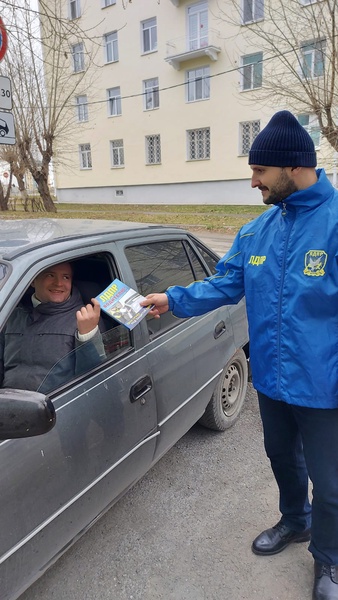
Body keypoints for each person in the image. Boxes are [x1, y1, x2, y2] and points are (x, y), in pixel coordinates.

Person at [140, 110, 338, 600]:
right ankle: (296, 522)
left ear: (293, 167)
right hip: (272, 382)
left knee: (332, 485)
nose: (253, 182)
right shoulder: (257, 232)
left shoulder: (334, 226)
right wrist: (173, 299)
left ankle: (330, 562)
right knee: (280, 458)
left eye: (260, 172)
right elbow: (224, 284)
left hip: (324, 386)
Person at [0, 261, 105, 394]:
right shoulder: (12, 314)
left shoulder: (86, 317)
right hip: (7, 404)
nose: (59, 283)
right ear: (32, 281)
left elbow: (93, 381)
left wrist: (88, 336)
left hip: (56, 408)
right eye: (50, 275)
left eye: (66, 277)